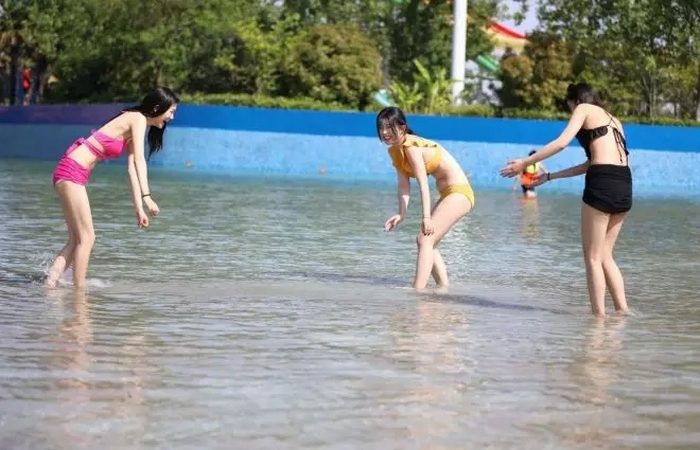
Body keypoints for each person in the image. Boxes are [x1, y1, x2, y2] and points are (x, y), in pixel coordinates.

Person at [499, 82, 632, 317]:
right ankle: (623, 312)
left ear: (576, 101)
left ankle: (598, 320)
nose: (571, 110)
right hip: (624, 182)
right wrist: (550, 176)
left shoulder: (583, 109)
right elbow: (592, 162)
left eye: (569, 105)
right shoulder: (615, 120)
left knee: (592, 257)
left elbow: (561, 143)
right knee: (605, 255)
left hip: (602, 181)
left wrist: (525, 163)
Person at [46, 87, 180, 289]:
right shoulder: (137, 118)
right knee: (87, 238)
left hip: (71, 171)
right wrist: (147, 196)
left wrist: (139, 208)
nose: (171, 117)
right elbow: (140, 161)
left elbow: (132, 169)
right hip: (72, 171)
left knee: (76, 239)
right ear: (156, 108)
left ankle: (50, 284)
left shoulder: (134, 124)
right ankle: (79, 291)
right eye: (171, 111)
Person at [378, 106, 475, 291]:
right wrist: (401, 214)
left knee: (425, 239)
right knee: (426, 241)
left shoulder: (411, 146)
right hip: (448, 195)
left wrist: (426, 217)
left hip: (460, 193)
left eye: (389, 127)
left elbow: (423, 183)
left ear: (402, 128)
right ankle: (442, 288)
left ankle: (417, 291)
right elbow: (404, 186)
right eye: (381, 128)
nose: (384, 132)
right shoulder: (396, 151)